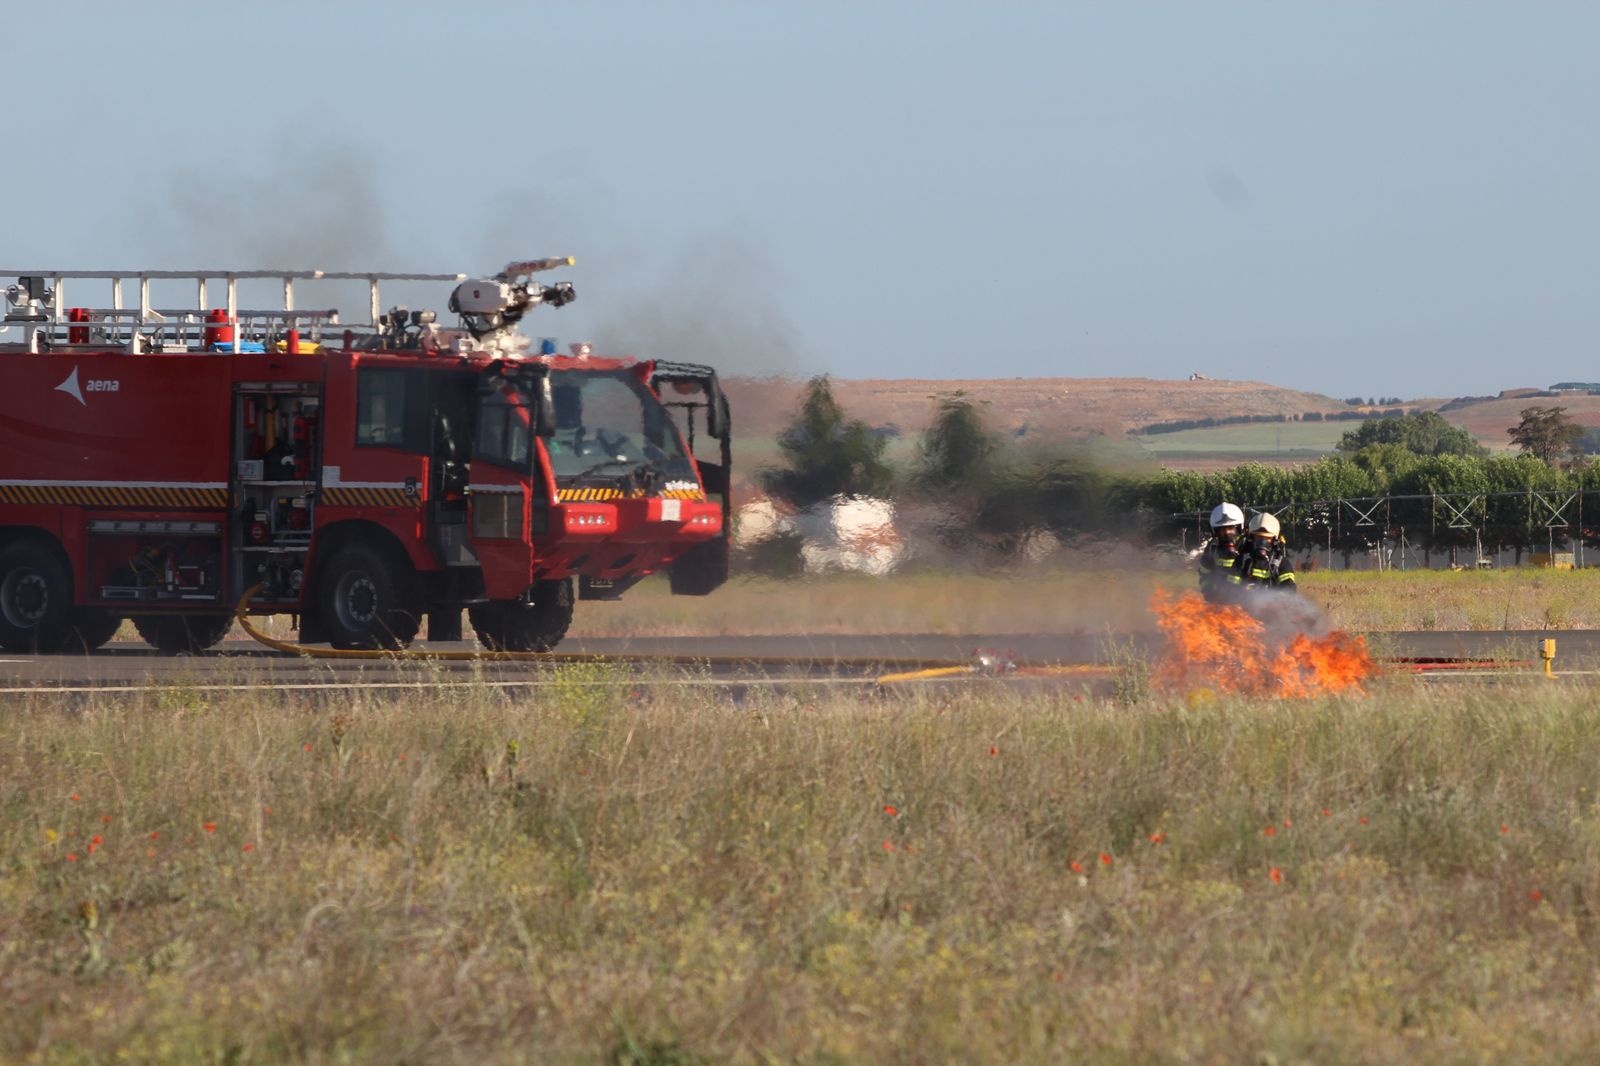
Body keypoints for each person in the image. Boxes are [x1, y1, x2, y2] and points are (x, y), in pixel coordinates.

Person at [1232, 512, 1297, 592]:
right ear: (1251, 538)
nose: (1262, 542)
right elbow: (1230, 589)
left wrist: (1274, 600)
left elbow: (1289, 589)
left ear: (1274, 540)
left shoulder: (1282, 563)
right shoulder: (1241, 561)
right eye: (1259, 537)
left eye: (1267, 538)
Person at [1198, 502, 1245, 600]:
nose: (1227, 533)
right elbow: (1204, 574)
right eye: (1222, 530)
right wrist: (1208, 591)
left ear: (1239, 528)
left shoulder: (1247, 546)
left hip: (1245, 601)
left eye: (1231, 528)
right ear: (1215, 532)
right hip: (1220, 599)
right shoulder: (1212, 548)